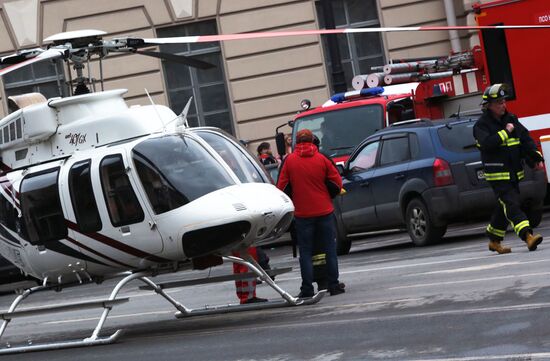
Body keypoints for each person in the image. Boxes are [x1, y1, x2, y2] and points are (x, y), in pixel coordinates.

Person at [473, 83, 544, 254]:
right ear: (488, 105)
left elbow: (525, 140)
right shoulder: (481, 125)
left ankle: (494, 239)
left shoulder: (511, 119)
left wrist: (535, 158)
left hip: (513, 173)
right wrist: (505, 132)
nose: (503, 105)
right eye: (499, 102)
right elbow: (488, 144)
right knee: (512, 204)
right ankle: (528, 236)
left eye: (504, 101)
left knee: (503, 206)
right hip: (497, 175)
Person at [276, 129, 344, 297]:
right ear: (313, 141)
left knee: (305, 252)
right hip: (324, 210)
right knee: (329, 249)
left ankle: (307, 288)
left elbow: (281, 188)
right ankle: (333, 285)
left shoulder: (290, 161)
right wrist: (328, 194)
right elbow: (337, 182)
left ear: (296, 142)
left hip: (303, 213)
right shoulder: (322, 159)